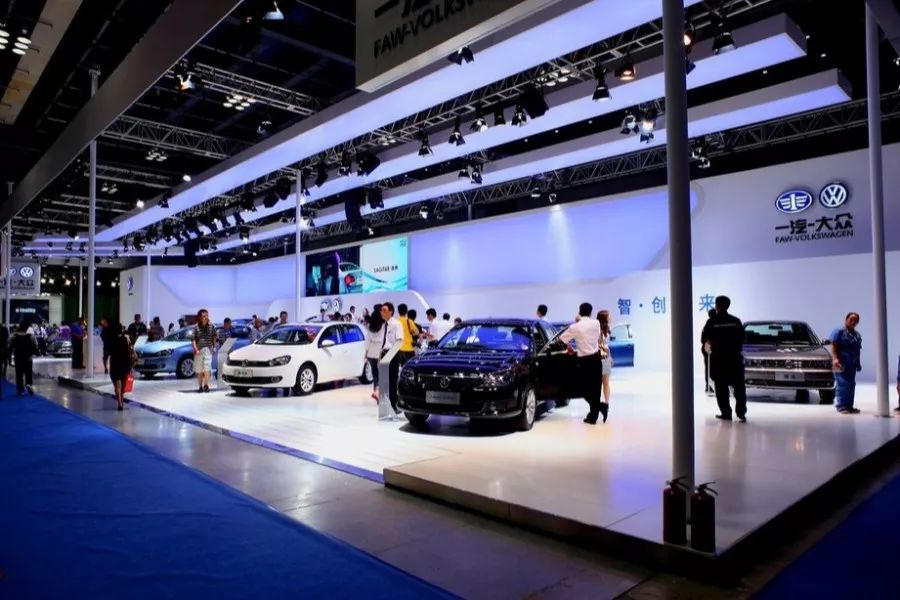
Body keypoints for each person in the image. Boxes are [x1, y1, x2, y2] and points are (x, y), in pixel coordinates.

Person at [701, 296, 747, 422]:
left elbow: (704, 339)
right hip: (734, 359)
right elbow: (743, 338)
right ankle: (741, 413)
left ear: (717, 306)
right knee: (739, 388)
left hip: (719, 360)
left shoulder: (711, 322)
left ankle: (726, 413)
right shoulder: (736, 321)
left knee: (721, 388)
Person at [560, 303, 605, 424]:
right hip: (596, 359)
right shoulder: (596, 323)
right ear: (591, 312)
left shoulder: (575, 327)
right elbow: (597, 336)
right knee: (596, 389)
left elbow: (561, 340)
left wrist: (569, 347)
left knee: (582, 389)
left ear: (579, 312)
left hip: (583, 361)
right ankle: (596, 412)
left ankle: (596, 412)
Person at [829, 312, 863, 415]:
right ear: (846, 319)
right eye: (851, 319)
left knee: (851, 384)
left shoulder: (856, 335)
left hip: (852, 363)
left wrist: (858, 363)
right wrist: (835, 359)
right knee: (842, 383)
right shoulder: (838, 331)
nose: (853, 322)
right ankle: (841, 406)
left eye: (856, 321)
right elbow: (834, 347)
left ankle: (849, 406)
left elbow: (857, 350)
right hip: (841, 361)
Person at [382, 303, 404, 414]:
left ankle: (394, 405)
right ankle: (386, 406)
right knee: (384, 381)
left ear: (391, 311)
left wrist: (389, 355)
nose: (382, 312)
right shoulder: (384, 325)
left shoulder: (396, 324)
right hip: (384, 353)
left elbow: (399, 341)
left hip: (392, 354)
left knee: (392, 380)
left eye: (384, 310)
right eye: (381, 310)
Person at [108, 324, 135, 411]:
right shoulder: (126, 339)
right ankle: (121, 401)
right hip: (125, 364)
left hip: (115, 364)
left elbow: (109, 352)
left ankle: (119, 402)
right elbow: (131, 349)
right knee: (122, 385)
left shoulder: (111, 339)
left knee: (117, 385)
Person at [191, 309, 218, 393]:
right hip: (198, 351)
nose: (206, 317)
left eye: (207, 315)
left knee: (207, 368)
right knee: (199, 370)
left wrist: (214, 347)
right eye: (204, 316)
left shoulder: (211, 326)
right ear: (199, 317)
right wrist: (196, 349)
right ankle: (200, 387)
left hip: (208, 350)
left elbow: (214, 336)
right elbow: (193, 339)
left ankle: (206, 385)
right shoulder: (195, 327)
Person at [365, 304, 387, 402]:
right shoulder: (384, 324)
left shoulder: (370, 325)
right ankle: (381, 396)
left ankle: (376, 393)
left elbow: (367, 340)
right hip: (380, 352)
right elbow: (384, 340)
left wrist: (366, 353)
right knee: (383, 375)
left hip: (371, 352)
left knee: (375, 375)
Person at [11, 321, 37, 395]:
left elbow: (11, 345)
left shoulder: (15, 336)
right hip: (28, 357)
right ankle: (28, 384)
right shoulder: (30, 336)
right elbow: (34, 346)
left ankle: (20, 389)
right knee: (28, 372)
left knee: (19, 374)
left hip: (18, 357)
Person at [598, 310, 613, 407]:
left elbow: (606, 346)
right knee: (598, 384)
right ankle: (597, 404)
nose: (611, 317)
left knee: (606, 383)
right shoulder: (597, 330)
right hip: (599, 358)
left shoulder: (606, 329)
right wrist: (603, 348)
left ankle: (607, 403)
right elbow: (596, 344)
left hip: (606, 358)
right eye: (609, 316)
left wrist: (610, 357)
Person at [700, 308, 716, 393]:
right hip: (710, 348)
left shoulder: (708, 323)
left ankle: (709, 386)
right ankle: (710, 386)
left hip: (707, 347)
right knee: (711, 367)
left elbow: (702, 339)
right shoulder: (712, 323)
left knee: (708, 367)